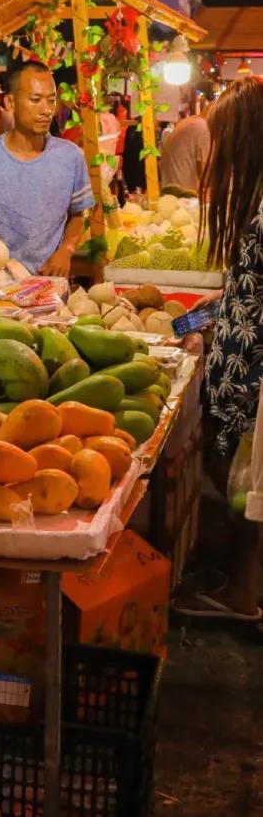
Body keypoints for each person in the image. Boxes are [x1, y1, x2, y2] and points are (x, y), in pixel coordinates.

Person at [173, 79, 263, 624]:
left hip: (251, 381)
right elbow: (248, 287)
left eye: (224, 136)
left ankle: (243, 596)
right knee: (238, 482)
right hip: (239, 375)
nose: (217, 150)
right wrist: (211, 310)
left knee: (247, 486)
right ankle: (241, 581)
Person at [0, 61, 95, 276]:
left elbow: (78, 215)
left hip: (47, 284)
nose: (46, 110)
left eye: (51, 100)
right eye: (35, 100)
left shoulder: (71, 157)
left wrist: (67, 249)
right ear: (10, 102)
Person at [160, 108, 210, 193]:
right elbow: (205, 178)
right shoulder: (204, 128)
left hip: (171, 191)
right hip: (183, 195)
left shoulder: (192, 122)